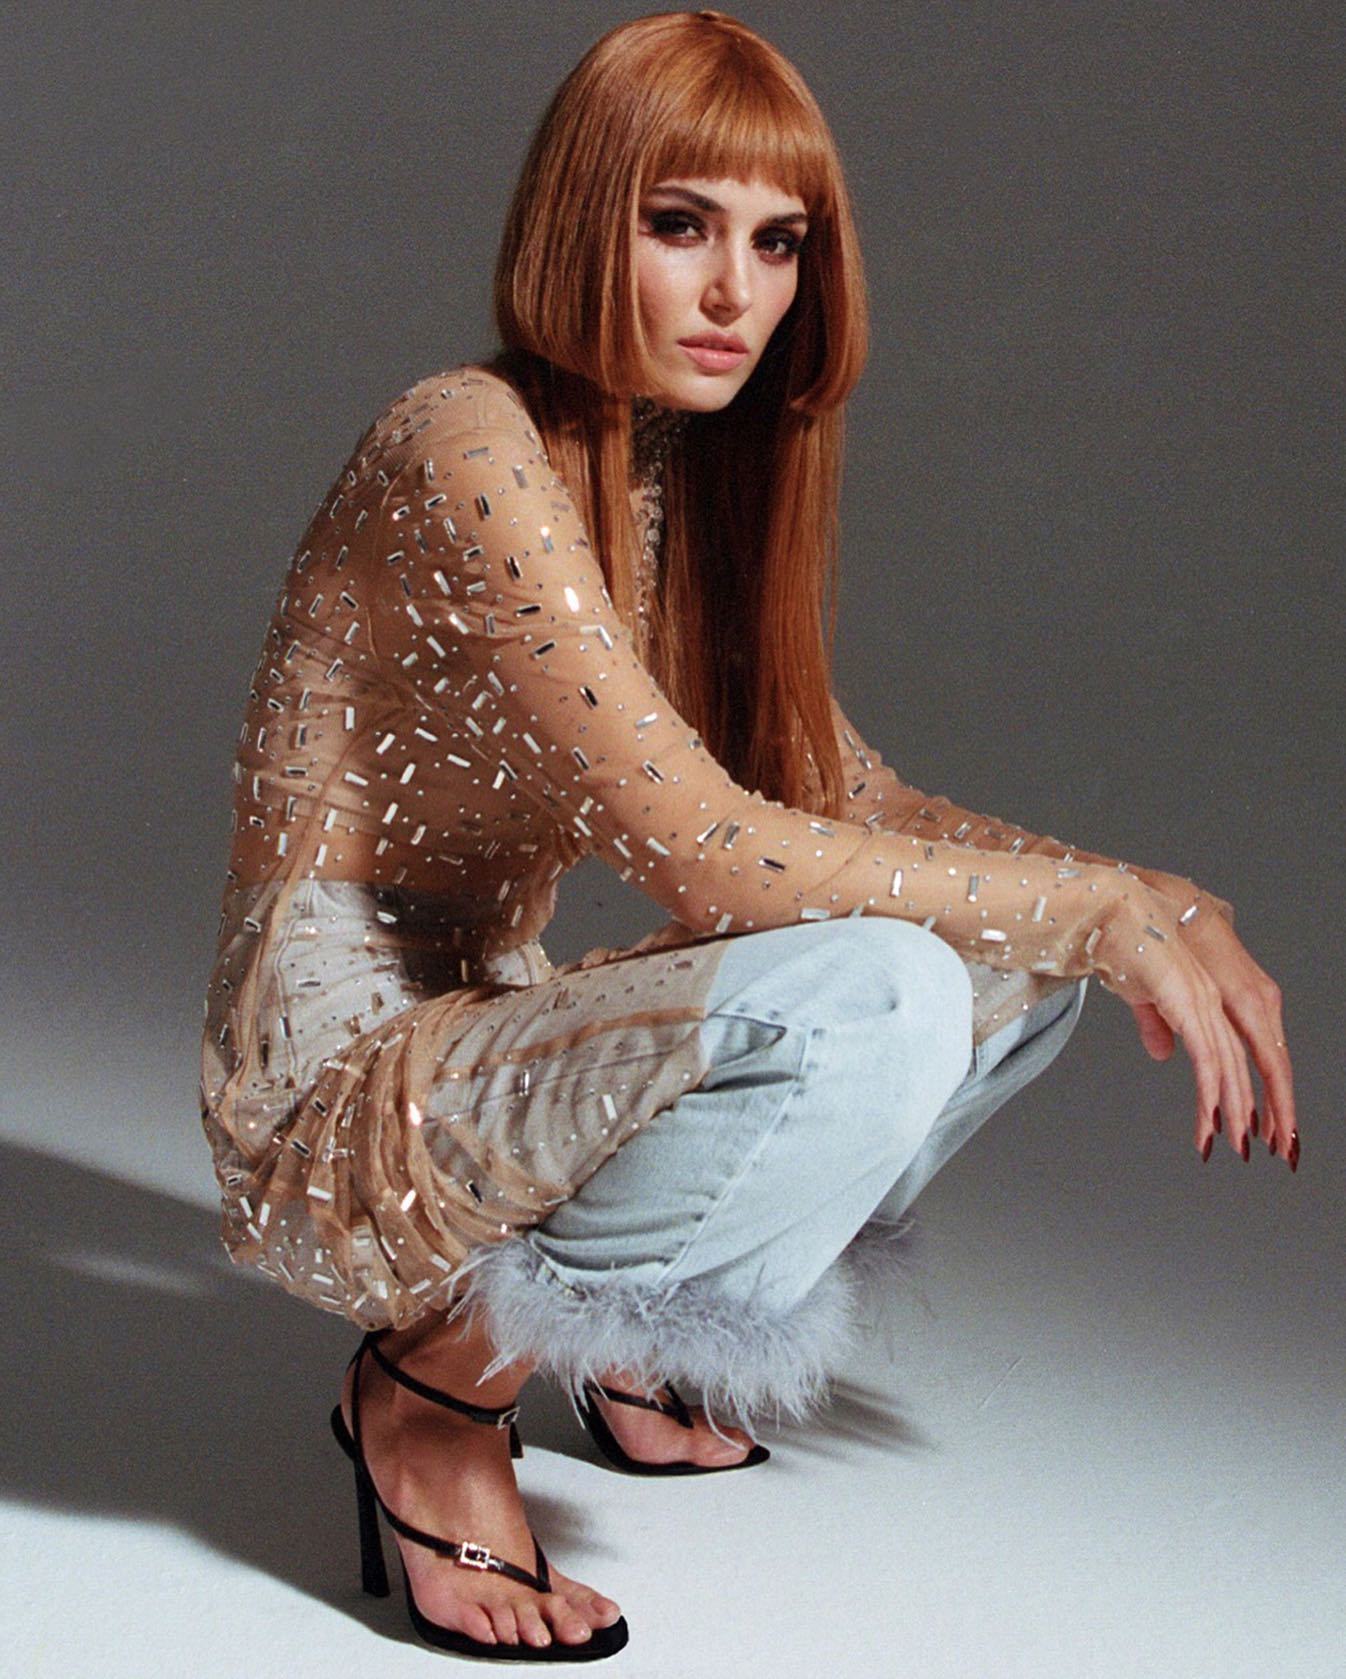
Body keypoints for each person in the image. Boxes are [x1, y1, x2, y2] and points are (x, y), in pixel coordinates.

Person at [198, 8, 1298, 1663]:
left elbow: (846, 801)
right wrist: (1100, 912)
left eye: (777, 243)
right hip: (335, 1086)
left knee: (1007, 963)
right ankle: (430, 1395)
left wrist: (1143, 898)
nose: (734, 292)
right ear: (582, 224)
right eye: (679, 225)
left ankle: (639, 1344)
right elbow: (708, 853)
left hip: (490, 1016)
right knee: (893, 986)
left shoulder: (677, 474)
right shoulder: (463, 441)